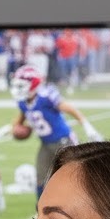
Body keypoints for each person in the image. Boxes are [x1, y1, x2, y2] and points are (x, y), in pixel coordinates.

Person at [9, 63, 102, 197]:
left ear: (33, 84)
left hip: (63, 141)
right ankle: (41, 211)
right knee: (41, 180)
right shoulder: (23, 101)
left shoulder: (46, 96)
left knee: (74, 176)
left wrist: (87, 125)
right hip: (46, 144)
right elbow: (20, 121)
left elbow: (69, 109)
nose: (18, 89)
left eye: (21, 85)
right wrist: (13, 129)